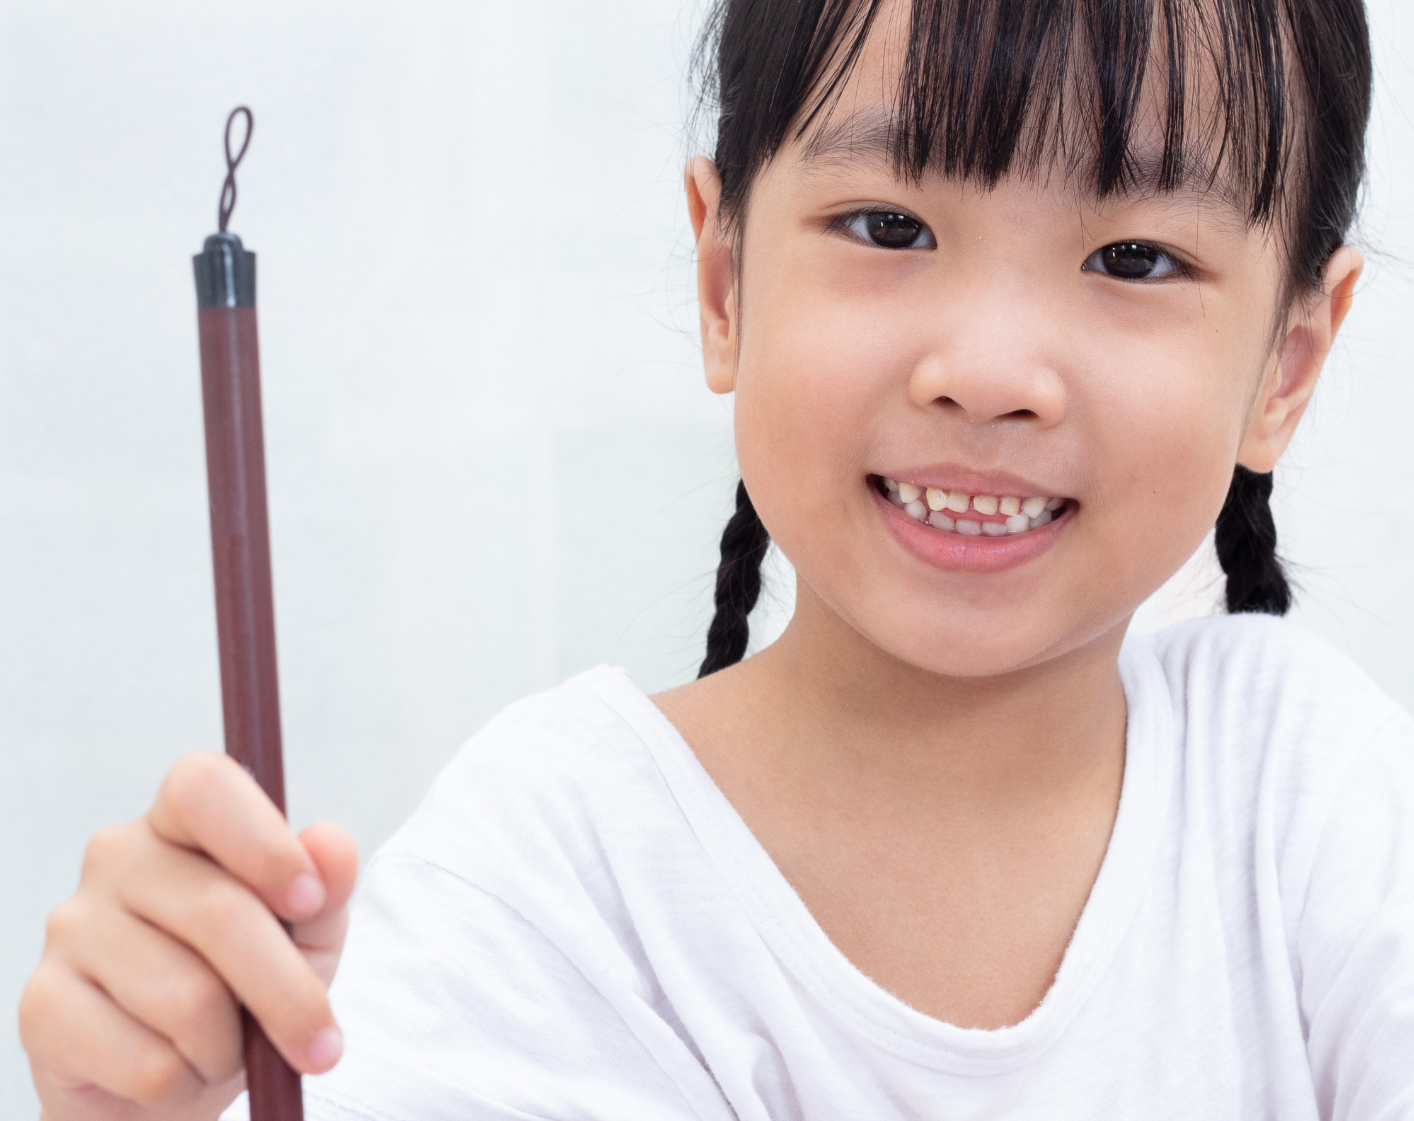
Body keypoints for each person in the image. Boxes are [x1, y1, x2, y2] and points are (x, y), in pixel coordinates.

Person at [21, 0, 1412, 1116]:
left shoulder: (1308, 800)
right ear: (723, 282)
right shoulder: (549, 872)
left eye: (1133, 259)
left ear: (1286, 366)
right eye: (888, 228)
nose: (988, 376)